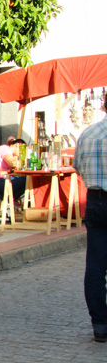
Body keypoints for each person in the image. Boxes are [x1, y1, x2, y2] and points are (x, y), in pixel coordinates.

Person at [74, 117, 107, 342]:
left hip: (96, 200)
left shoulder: (89, 133)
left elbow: (77, 166)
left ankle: (100, 325)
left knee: (95, 265)